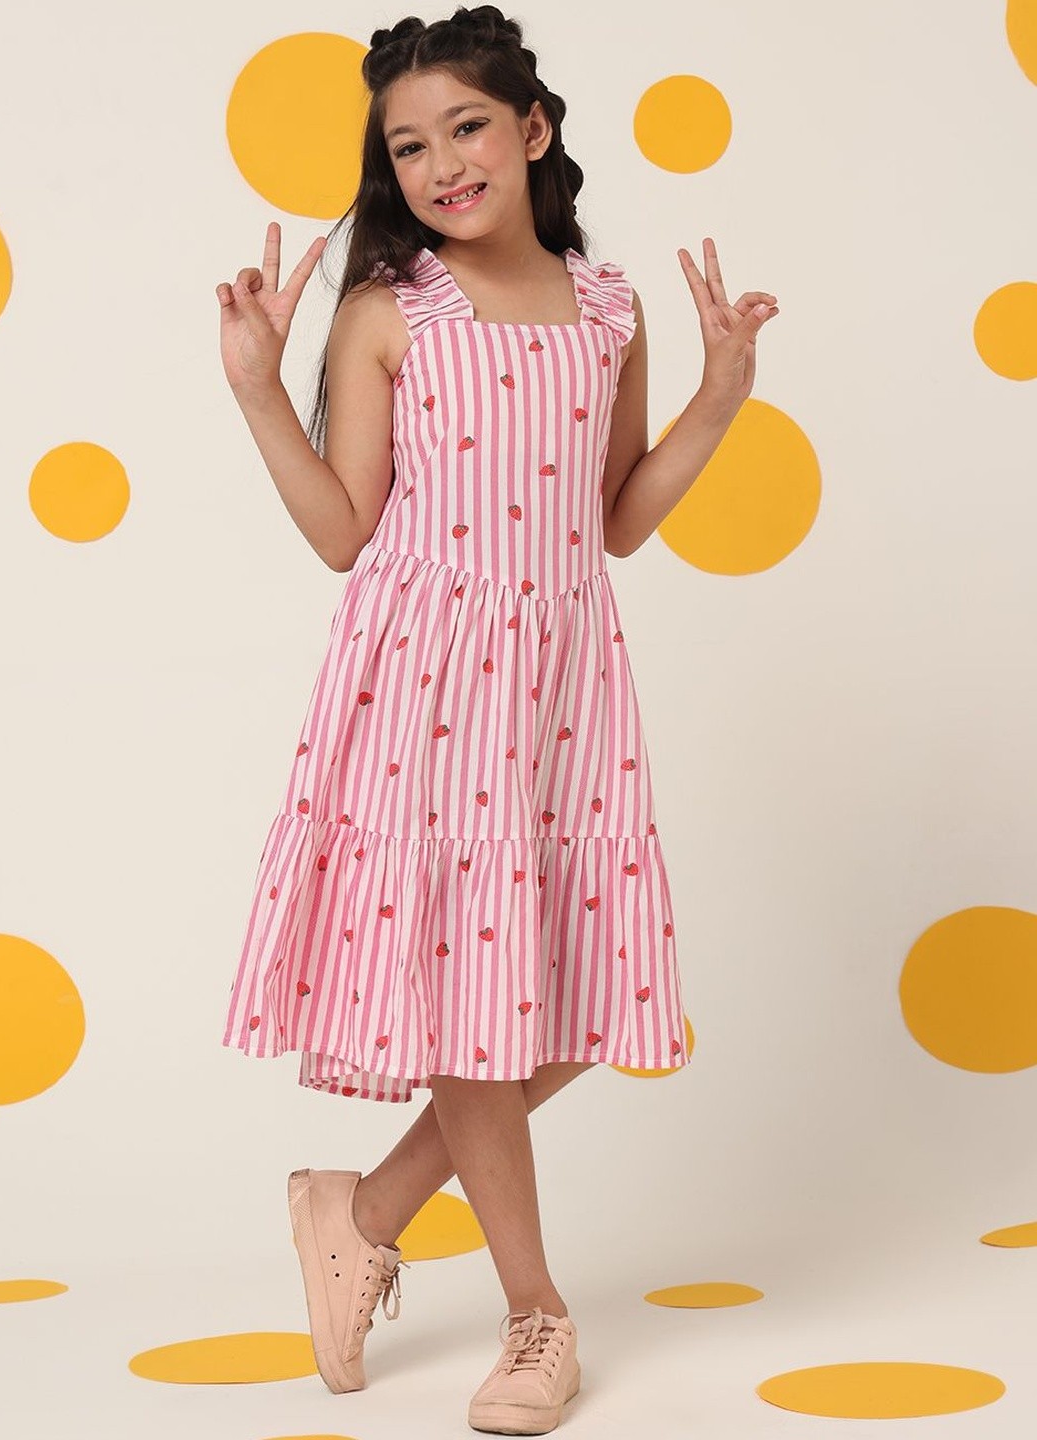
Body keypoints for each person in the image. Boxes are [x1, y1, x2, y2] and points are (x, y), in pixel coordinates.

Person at [215, 5, 778, 1432]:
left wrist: (719, 398)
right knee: (479, 1002)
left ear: (532, 129)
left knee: (581, 991)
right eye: (408, 146)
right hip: (426, 683)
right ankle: (538, 1316)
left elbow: (617, 520)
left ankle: (364, 1207)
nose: (442, 163)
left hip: (565, 682)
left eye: (466, 126)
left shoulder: (610, 310)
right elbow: (342, 533)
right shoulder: (390, 315)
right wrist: (256, 391)